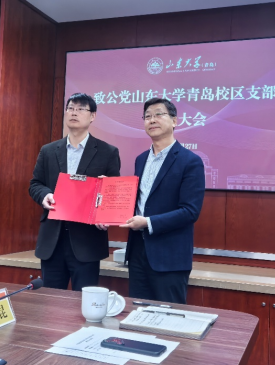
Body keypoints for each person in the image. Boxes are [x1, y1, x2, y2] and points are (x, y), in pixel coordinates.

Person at [29, 93, 121, 290]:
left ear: (92, 116)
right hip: (52, 240)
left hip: (87, 242)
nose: (74, 113)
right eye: (70, 108)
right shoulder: (48, 150)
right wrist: (45, 195)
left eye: (80, 109)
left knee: (84, 300)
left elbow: (113, 192)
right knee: (50, 300)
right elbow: (35, 184)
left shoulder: (107, 152)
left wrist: (105, 212)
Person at [121, 98, 205, 304]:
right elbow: (139, 201)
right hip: (137, 253)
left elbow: (190, 211)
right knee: (138, 314)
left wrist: (148, 222)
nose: (152, 120)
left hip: (169, 258)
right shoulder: (141, 159)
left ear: (174, 121)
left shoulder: (190, 161)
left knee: (169, 316)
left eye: (159, 114)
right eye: (147, 116)